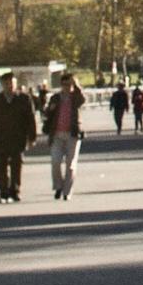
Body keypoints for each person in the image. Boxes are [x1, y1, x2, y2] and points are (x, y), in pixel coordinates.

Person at [0, 73, 38, 203]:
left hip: (18, 137)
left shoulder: (24, 99)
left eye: (12, 83)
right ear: (2, 85)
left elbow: (30, 119)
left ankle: (15, 190)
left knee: (17, 165)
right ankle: (3, 192)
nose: (9, 86)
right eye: (6, 83)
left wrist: (32, 137)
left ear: (15, 84)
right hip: (1, 137)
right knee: (2, 166)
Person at [45, 73, 87, 201]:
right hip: (57, 134)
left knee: (70, 164)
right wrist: (50, 109)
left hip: (72, 135)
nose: (66, 87)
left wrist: (76, 84)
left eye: (69, 84)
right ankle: (58, 186)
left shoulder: (76, 98)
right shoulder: (56, 98)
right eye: (64, 84)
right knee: (55, 162)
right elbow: (47, 113)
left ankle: (67, 191)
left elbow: (83, 99)